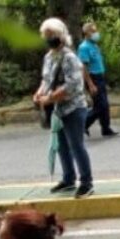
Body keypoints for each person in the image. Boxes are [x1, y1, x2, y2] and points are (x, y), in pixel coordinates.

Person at [34, 17, 93, 199]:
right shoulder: (49, 57)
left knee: (76, 145)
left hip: (74, 108)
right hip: (58, 111)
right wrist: (38, 94)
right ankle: (68, 179)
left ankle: (86, 182)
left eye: (52, 34)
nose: (49, 38)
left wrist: (49, 98)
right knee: (60, 146)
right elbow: (46, 80)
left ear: (61, 35)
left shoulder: (70, 57)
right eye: (46, 35)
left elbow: (72, 86)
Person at [78, 21, 118, 138]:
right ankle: (82, 125)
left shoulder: (94, 45)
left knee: (104, 105)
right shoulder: (84, 47)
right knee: (101, 106)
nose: (96, 33)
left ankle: (106, 128)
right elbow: (84, 67)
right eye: (93, 31)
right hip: (93, 78)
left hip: (100, 77)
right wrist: (90, 84)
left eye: (96, 31)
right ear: (86, 33)